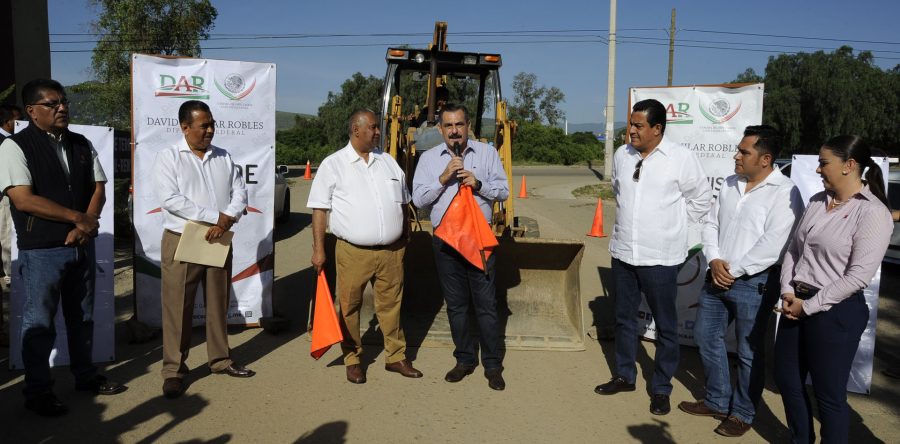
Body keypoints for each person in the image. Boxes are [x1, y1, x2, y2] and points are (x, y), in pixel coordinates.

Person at [0, 79, 125, 416]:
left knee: (82, 317)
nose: (62, 108)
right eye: (52, 104)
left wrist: (86, 225)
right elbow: (23, 200)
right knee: (39, 323)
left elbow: (99, 186)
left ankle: (85, 376)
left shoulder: (81, 143)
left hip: (80, 246)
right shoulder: (15, 147)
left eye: (64, 102)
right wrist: (78, 219)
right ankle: (38, 391)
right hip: (42, 250)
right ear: (31, 111)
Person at [678, 125, 802, 437]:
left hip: (755, 283)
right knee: (707, 338)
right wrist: (715, 259)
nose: (736, 155)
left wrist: (733, 270)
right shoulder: (731, 183)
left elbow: (775, 243)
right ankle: (718, 400)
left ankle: (742, 413)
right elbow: (710, 223)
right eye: (738, 149)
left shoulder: (785, 192)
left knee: (749, 352)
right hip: (716, 276)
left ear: (765, 159)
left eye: (744, 151)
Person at [595, 99, 712, 415]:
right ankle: (624, 375)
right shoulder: (623, 155)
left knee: (666, 325)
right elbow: (621, 193)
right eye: (631, 124)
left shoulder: (681, 158)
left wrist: (675, 234)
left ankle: (661, 388)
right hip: (623, 253)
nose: (631, 130)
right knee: (622, 318)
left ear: (657, 129)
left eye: (638, 126)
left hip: (661, 258)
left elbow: (700, 201)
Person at [775, 135, 892, 443]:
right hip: (794, 302)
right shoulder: (816, 202)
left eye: (824, 163)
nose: (817, 169)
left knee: (829, 396)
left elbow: (857, 277)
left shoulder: (872, 213)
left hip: (835, 313)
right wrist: (788, 290)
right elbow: (792, 251)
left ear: (849, 165)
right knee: (787, 381)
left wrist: (809, 306)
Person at [307, 109, 422, 384]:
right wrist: (319, 249)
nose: (378, 132)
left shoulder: (389, 162)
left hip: (392, 252)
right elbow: (319, 211)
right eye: (372, 127)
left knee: (391, 305)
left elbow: (404, 202)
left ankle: (395, 356)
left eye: (377, 127)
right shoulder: (333, 164)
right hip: (352, 252)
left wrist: (405, 233)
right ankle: (353, 358)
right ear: (356, 130)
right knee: (348, 306)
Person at [153, 100, 255, 399]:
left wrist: (228, 218)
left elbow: (240, 191)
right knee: (178, 308)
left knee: (218, 302)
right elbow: (170, 198)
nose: (210, 130)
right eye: (203, 125)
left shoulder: (223, 156)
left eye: (212, 123)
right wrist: (216, 217)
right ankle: (173, 370)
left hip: (219, 236)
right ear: (185, 127)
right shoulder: (168, 157)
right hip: (183, 237)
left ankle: (220, 360)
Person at [412, 103, 510, 390]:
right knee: (456, 306)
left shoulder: (487, 153)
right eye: (448, 126)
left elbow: (503, 190)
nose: (454, 131)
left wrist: (478, 183)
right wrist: (443, 179)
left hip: (479, 241)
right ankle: (465, 359)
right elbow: (418, 200)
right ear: (441, 129)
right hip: (445, 242)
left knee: (487, 306)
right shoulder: (429, 159)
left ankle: (492, 365)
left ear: (468, 126)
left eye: (459, 125)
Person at [0, 104, 23, 346]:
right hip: (5, 202)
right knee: (7, 246)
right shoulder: (4, 143)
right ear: (8, 122)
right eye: (18, 120)